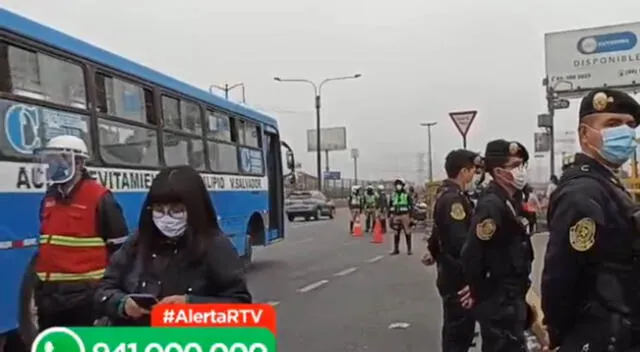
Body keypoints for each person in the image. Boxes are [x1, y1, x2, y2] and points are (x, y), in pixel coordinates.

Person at [541, 89, 640, 351]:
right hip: (600, 334)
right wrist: (560, 333)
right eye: (612, 124)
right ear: (585, 134)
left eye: (630, 125)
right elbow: (561, 275)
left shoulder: (607, 184)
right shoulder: (582, 193)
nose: (626, 132)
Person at [95, 166, 251, 326]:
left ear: (194, 209)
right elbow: (104, 290)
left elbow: (240, 305)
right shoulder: (137, 242)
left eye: (176, 210)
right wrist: (122, 304)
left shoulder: (215, 246)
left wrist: (191, 306)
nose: (166, 218)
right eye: (159, 210)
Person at [33, 135, 128, 330]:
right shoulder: (50, 197)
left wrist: (109, 298)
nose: (52, 165)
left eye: (59, 159)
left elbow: (120, 252)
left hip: (84, 299)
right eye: (49, 160)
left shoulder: (101, 198)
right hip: (49, 299)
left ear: (79, 162)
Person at [458, 139, 534, 351]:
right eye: (516, 165)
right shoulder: (492, 205)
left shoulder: (510, 200)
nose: (521, 171)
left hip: (511, 295)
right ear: (499, 172)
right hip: (499, 298)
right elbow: (472, 253)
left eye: (522, 165)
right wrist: (477, 290)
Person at [423, 149, 480, 352]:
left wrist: (433, 249)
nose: (474, 175)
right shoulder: (454, 200)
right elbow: (460, 243)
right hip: (458, 278)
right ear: (463, 171)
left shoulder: (445, 195)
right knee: (458, 335)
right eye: (473, 170)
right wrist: (472, 277)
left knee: (457, 332)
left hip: (449, 274)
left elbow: (439, 231)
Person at [389, 178, 414, 255]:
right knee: (396, 232)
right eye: (396, 184)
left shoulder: (406, 195)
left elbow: (411, 206)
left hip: (405, 215)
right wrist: (390, 215)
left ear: (403, 185)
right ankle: (396, 249)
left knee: (407, 231)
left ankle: (409, 249)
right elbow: (390, 205)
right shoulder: (393, 195)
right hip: (396, 215)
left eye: (399, 184)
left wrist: (411, 217)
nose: (398, 186)